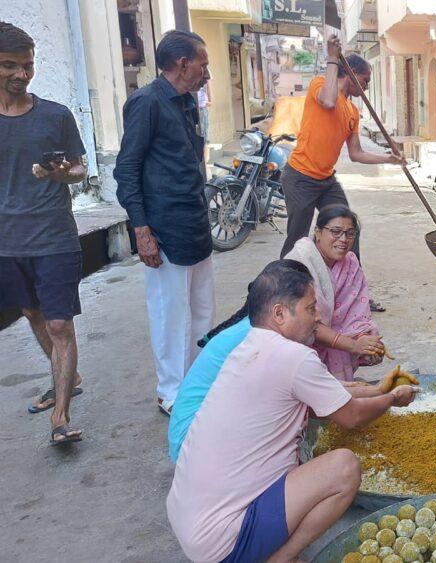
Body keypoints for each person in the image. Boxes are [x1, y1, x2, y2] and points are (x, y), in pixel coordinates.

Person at [167, 261, 417, 563]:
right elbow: (352, 416)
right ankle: (281, 558)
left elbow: (328, 395)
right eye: (311, 308)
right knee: (344, 467)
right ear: (280, 314)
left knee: (297, 457)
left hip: (190, 521)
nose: (319, 318)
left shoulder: (252, 347)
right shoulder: (293, 357)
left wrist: (378, 390)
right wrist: (391, 400)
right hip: (222, 542)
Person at [114, 30, 214, 417]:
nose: (206, 73)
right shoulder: (146, 102)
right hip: (164, 230)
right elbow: (127, 170)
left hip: (195, 225)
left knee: (202, 313)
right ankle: (171, 393)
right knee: (171, 316)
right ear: (183, 63)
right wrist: (142, 231)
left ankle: (196, 384)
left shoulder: (186, 102)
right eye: (202, 64)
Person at [0, 22, 89, 445]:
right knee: (33, 315)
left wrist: (61, 175)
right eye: (10, 66)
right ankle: (67, 379)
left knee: (58, 324)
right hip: (6, 243)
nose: (21, 74)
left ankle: (61, 417)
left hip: (53, 237)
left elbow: (80, 170)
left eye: (28, 65)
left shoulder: (55, 115)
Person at [167, 260, 306, 462]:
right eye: (310, 306)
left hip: (194, 436)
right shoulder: (257, 334)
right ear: (280, 308)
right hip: (191, 445)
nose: (316, 314)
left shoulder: (258, 324)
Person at [279, 35, 403, 259]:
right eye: (365, 79)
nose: (367, 86)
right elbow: (328, 101)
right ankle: (286, 286)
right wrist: (332, 58)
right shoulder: (320, 84)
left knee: (348, 229)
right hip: (300, 177)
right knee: (298, 241)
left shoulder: (353, 111)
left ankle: (352, 285)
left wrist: (388, 159)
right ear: (352, 74)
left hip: (326, 181)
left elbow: (356, 154)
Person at [284, 205, 383, 380]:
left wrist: (366, 342)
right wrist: (353, 345)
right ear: (318, 232)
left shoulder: (350, 263)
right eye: (336, 232)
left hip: (339, 343)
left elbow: (358, 314)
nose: (343, 239)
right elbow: (305, 325)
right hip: (301, 348)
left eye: (350, 233)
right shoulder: (300, 262)